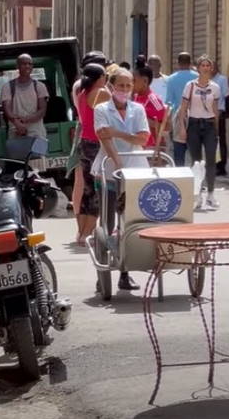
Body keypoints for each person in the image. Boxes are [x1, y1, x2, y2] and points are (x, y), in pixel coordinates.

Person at [92, 68, 149, 291]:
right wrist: (117, 162)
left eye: (128, 86)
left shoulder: (138, 109)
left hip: (135, 171)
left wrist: (117, 133)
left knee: (129, 221)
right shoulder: (101, 109)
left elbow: (143, 137)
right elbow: (103, 136)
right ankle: (103, 270)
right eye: (120, 85)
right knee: (107, 222)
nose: (124, 90)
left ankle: (125, 273)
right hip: (109, 171)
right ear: (111, 87)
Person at [177, 55, 221, 209]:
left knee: (210, 160)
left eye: (208, 65)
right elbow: (183, 108)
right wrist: (183, 128)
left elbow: (215, 109)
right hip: (194, 124)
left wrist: (217, 129)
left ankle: (211, 193)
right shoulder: (190, 85)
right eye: (202, 65)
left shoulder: (215, 87)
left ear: (211, 68)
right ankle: (198, 194)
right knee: (196, 162)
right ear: (198, 67)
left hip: (209, 124)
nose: (205, 68)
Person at [74, 63, 111, 244]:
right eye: (105, 75)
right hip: (96, 143)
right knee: (97, 190)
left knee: (88, 190)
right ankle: (88, 233)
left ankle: (81, 232)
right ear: (99, 77)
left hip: (84, 141)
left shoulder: (82, 93)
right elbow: (114, 110)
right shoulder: (100, 92)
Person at [1, 54, 48, 140]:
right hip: (15, 133)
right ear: (17, 66)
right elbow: (7, 109)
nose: (27, 66)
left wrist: (24, 120)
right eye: (24, 64)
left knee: (39, 153)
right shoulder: (7, 87)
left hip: (37, 135)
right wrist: (17, 124)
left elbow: (42, 111)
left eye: (30, 64)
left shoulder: (40, 86)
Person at [166, 52, 199, 165]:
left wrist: (169, 123)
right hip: (196, 118)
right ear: (190, 63)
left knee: (178, 152)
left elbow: (169, 102)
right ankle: (196, 178)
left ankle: (180, 177)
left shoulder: (171, 79)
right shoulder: (198, 77)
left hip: (178, 119)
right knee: (195, 153)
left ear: (178, 63)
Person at [132, 66, 168, 150]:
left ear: (145, 81)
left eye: (134, 80)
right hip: (136, 145)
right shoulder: (135, 97)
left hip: (150, 148)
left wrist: (143, 119)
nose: (131, 84)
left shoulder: (154, 101)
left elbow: (165, 127)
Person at [212, 61, 229, 177]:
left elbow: (226, 95)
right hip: (207, 114)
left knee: (220, 141)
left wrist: (225, 112)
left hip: (219, 113)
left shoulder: (222, 79)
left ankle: (221, 166)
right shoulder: (205, 79)